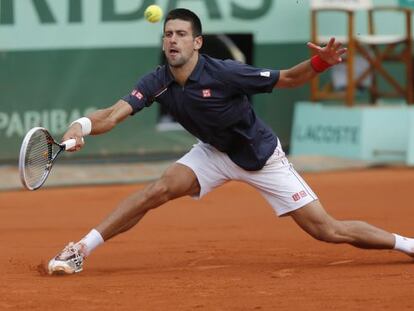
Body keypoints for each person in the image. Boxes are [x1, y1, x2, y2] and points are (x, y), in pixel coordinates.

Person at [48, 8, 414, 275]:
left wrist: (319, 64)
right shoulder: (157, 80)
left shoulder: (225, 72)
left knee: (328, 230)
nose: (172, 40)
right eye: (168, 34)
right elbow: (113, 114)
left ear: (197, 42)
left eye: (180, 34)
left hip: (260, 156)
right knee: (156, 191)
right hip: (213, 152)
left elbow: (286, 79)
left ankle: (406, 245)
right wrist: (80, 127)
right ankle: (81, 249)